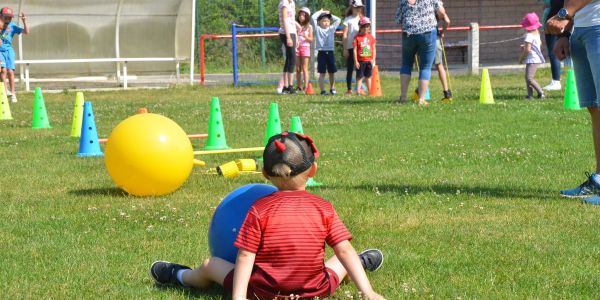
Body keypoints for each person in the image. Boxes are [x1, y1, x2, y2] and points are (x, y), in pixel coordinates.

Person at [149, 132, 386, 299]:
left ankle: (180, 275)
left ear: (265, 174)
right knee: (342, 258)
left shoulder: (259, 208)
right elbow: (343, 250)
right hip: (315, 291)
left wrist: (240, 296)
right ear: (313, 170)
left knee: (211, 265)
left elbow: (244, 256)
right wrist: (369, 294)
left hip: (261, 293)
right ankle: (361, 268)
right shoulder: (323, 207)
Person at [547, 0, 600, 203]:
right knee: (594, 107)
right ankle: (599, 179)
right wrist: (565, 34)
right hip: (581, 29)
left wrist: (563, 14)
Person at [395, 0, 443, 106]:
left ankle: (403, 97)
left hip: (408, 33)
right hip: (428, 33)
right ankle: (421, 99)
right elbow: (441, 13)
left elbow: (399, 19)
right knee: (425, 67)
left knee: (406, 65)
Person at [0, 7, 28, 103]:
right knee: (3, 70)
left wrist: (24, 21)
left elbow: (26, 32)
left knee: (10, 71)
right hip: (0, 51)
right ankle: (5, 90)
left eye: (10, 17)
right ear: (1, 16)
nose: (8, 19)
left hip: (9, 51)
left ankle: (13, 93)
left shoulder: (12, 26)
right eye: (6, 17)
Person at [312, 9, 341, 95]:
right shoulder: (317, 29)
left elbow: (338, 20)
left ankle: (332, 88)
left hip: (330, 52)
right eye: (324, 21)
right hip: (321, 53)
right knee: (322, 73)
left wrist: (330, 14)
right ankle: (322, 90)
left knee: (331, 72)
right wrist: (320, 12)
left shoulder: (332, 28)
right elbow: (313, 17)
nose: (326, 22)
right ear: (319, 22)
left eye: (328, 21)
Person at [518, 12, 546, 100]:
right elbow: (538, 45)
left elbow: (527, 50)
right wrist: (526, 46)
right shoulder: (536, 35)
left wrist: (521, 58)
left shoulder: (529, 36)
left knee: (529, 78)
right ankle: (530, 95)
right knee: (528, 78)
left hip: (532, 59)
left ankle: (541, 93)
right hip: (535, 58)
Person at [539, 0, 564, 91]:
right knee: (554, 53)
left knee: (553, 53)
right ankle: (556, 79)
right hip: (553, 24)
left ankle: (556, 81)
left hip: (553, 25)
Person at [342, 0, 365, 96]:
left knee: (360, 69)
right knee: (350, 69)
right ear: (352, 7)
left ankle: (359, 89)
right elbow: (345, 34)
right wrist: (345, 48)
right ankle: (349, 89)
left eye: (360, 7)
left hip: (360, 48)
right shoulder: (348, 19)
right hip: (351, 48)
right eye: (356, 7)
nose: (358, 9)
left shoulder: (363, 19)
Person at [433, 5, 452, 102]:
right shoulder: (436, 5)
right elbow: (447, 21)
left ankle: (421, 91)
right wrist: (442, 32)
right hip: (435, 38)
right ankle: (447, 92)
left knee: (424, 66)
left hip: (423, 37)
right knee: (439, 65)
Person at [353, 17, 376, 96]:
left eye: (368, 26)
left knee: (368, 77)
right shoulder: (356, 38)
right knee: (359, 77)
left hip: (369, 61)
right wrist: (356, 61)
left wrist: (373, 59)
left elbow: (374, 48)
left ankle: (370, 92)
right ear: (361, 27)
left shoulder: (371, 37)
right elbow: (355, 50)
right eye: (365, 26)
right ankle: (358, 92)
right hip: (360, 61)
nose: (367, 28)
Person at [278, 0, 297, 94]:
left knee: (289, 59)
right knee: (292, 59)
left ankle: (285, 87)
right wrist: (289, 37)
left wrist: (296, 36)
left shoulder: (292, 3)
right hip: (286, 32)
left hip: (292, 31)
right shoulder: (284, 3)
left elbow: (292, 20)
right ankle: (290, 86)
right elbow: (285, 19)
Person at [295, 7, 313, 93]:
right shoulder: (296, 25)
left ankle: (306, 87)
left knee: (304, 67)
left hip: (305, 47)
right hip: (297, 48)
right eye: (300, 15)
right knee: (298, 68)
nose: (301, 17)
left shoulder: (309, 27)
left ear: (307, 17)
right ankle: (299, 86)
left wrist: (305, 36)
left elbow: (311, 39)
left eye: (303, 15)